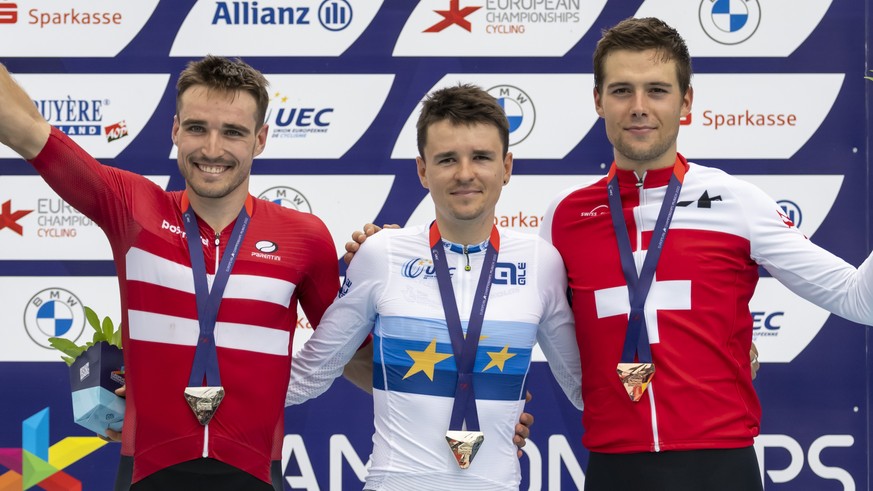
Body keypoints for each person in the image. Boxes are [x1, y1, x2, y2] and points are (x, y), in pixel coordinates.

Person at [537, 16, 873, 490]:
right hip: (613, 469)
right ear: (597, 101)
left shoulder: (737, 202)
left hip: (720, 468)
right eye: (620, 91)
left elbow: (860, 299)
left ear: (686, 102)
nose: (638, 107)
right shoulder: (563, 216)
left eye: (656, 90)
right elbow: (551, 346)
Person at [0, 56, 343, 490]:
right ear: (175, 129)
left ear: (260, 140)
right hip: (147, 472)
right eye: (197, 128)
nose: (212, 149)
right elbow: (25, 128)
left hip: (256, 473)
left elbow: (354, 353)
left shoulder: (304, 237)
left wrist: (386, 269)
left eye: (233, 132)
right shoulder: (133, 208)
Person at [285, 84, 584, 490]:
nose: (465, 173)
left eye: (481, 157)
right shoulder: (382, 253)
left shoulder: (540, 262)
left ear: (507, 167)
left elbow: (585, 390)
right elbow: (309, 375)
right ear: (423, 170)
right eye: (447, 159)